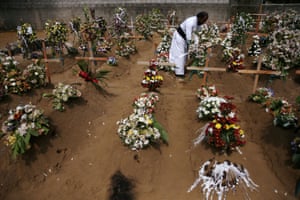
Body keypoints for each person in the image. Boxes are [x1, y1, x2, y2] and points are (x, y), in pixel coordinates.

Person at [169, 11, 208, 82]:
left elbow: (198, 32)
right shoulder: (191, 22)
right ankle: (179, 74)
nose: (204, 22)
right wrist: (190, 43)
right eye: (204, 20)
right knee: (180, 54)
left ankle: (181, 69)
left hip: (184, 38)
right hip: (180, 37)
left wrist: (197, 42)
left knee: (184, 55)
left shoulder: (198, 23)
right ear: (200, 18)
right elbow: (188, 35)